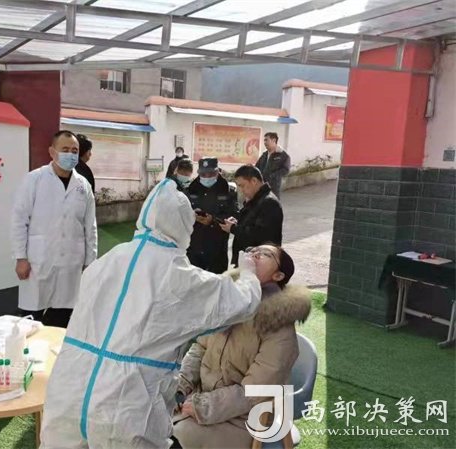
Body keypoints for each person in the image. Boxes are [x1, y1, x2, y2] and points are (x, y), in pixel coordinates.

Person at [40, 178, 264, 449]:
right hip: (126, 404)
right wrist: (248, 274)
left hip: (69, 392)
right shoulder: (178, 276)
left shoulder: (106, 262)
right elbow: (240, 302)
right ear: (184, 226)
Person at [173, 245, 311, 449]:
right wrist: (179, 388)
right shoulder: (229, 305)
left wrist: (202, 407)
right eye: (253, 250)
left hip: (246, 417)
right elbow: (200, 349)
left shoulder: (280, 328)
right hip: (199, 399)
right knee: (150, 416)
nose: (255, 253)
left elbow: (253, 392)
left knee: (178, 435)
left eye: (266, 254)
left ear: (278, 275)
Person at [11, 130, 98, 328]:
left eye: (74, 151)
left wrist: (90, 262)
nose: (70, 154)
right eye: (65, 149)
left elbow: (90, 226)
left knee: (63, 316)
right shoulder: (35, 179)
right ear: (52, 152)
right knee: (31, 317)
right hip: (39, 260)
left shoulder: (83, 185)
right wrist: (21, 257)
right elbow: (19, 220)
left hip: (71, 262)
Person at [219, 165, 283, 267]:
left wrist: (233, 228)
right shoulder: (255, 200)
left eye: (242, 185)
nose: (241, 190)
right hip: (247, 261)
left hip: (259, 265)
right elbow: (251, 223)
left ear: (254, 181)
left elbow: (260, 235)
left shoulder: (269, 203)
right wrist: (237, 222)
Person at [186, 158, 237, 274]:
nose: (207, 177)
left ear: (218, 171)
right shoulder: (190, 190)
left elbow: (234, 215)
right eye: (203, 174)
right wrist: (193, 216)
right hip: (195, 247)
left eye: (211, 173)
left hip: (217, 247)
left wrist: (213, 220)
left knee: (217, 280)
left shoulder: (228, 191)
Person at [255, 132, 291, 199]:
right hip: (261, 187)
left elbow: (286, 170)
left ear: (274, 140)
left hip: (273, 188)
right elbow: (256, 167)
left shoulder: (283, 155)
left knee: (272, 204)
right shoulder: (264, 155)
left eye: (266, 140)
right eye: (264, 140)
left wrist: (272, 176)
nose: (264, 142)